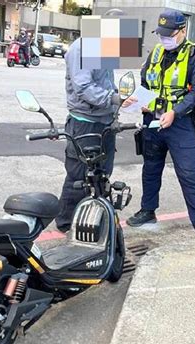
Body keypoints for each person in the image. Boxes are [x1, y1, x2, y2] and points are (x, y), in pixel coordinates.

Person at [125, 10, 195, 238]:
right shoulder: (157, 52)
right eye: (161, 34)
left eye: (169, 34)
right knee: (151, 168)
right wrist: (138, 100)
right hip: (152, 121)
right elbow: (145, 82)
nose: (164, 39)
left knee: (189, 172)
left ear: (182, 31)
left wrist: (175, 112)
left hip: (179, 124)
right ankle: (147, 210)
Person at [55, 8, 132, 233]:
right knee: (79, 176)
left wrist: (123, 98)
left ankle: (92, 214)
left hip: (104, 121)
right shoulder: (81, 48)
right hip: (84, 122)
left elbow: (107, 83)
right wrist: (114, 98)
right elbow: (84, 88)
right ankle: (66, 223)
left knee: (101, 173)